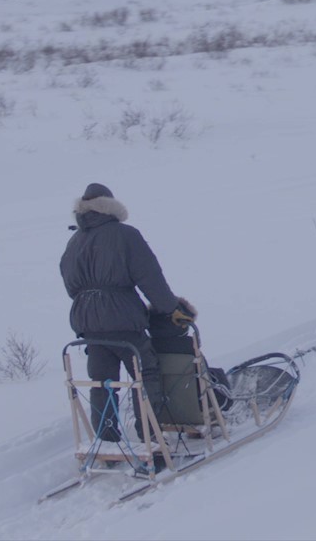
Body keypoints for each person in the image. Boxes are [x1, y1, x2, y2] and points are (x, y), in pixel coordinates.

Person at [60, 183, 196, 446]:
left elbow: (69, 283)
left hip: (87, 323)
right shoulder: (125, 235)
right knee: (145, 375)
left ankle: (107, 439)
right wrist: (171, 309)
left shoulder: (74, 240)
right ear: (110, 206)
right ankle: (151, 436)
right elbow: (149, 277)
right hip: (123, 319)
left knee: (102, 382)